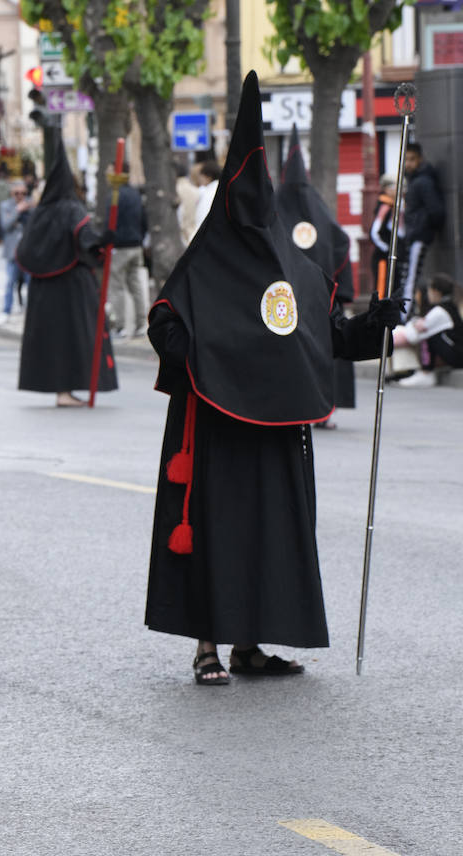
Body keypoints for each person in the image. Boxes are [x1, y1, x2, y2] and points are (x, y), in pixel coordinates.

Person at [144, 72, 402, 686]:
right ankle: (207, 644)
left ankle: (250, 644)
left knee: (269, 533)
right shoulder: (204, 260)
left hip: (276, 428)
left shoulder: (294, 264)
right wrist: (199, 355)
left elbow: (328, 336)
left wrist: (376, 324)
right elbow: (164, 322)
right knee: (215, 529)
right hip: (216, 427)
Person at [15, 131, 117, 407]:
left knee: (54, 338)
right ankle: (66, 391)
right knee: (74, 336)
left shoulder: (41, 211)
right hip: (72, 286)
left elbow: (24, 251)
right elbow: (86, 241)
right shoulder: (72, 209)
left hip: (43, 290)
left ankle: (62, 390)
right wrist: (104, 241)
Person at [275, 126, 356, 425]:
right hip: (322, 296)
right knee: (322, 350)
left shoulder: (274, 208)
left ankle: (292, 407)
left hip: (285, 296)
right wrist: (341, 288)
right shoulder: (319, 209)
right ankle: (324, 411)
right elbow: (342, 244)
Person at [392, 273, 463, 387]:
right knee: (429, 331)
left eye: (429, 290)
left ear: (436, 292)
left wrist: (413, 326)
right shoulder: (456, 305)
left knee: (429, 334)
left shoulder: (440, 311)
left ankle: (426, 372)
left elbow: (412, 336)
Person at [108, 161, 149, 339]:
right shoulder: (135, 194)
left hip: (120, 246)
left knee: (116, 286)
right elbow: (144, 218)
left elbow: (110, 222)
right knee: (135, 285)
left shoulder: (114, 195)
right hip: (135, 244)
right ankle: (141, 324)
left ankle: (120, 326)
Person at [401, 143, 444, 302]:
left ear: (420, 159)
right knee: (409, 278)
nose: (408, 164)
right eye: (406, 159)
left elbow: (436, 210)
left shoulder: (423, 182)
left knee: (410, 279)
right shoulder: (416, 181)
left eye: (412, 159)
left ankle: (404, 316)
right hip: (415, 235)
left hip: (418, 235)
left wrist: (425, 228)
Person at [0, 180, 31, 324]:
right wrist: (18, 211)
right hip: (12, 252)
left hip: (28, 251)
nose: (20, 196)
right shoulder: (6, 206)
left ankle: (30, 311)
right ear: (12, 193)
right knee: (10, 282)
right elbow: (6, 225)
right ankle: (6, 311)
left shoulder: (31, 204)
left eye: (23, 193)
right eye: (17, 193)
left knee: (31, 283)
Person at [368, 174, 396, 294]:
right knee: (381, 290)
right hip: (383, 258)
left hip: (389, 256)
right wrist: (387, 248)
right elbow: (374, 232)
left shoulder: (393, 205)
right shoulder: (385, 207)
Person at [175, 161, 200, 246]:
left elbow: (180, 216)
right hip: (195, 234)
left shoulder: (175, 191)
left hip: (181, 237)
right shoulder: (196, 191)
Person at [191, 158, 221, 227]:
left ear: (208, 177)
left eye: (201, 176)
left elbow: (201, 217)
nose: (200, 179)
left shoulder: (208, 193)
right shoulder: (219, 189)